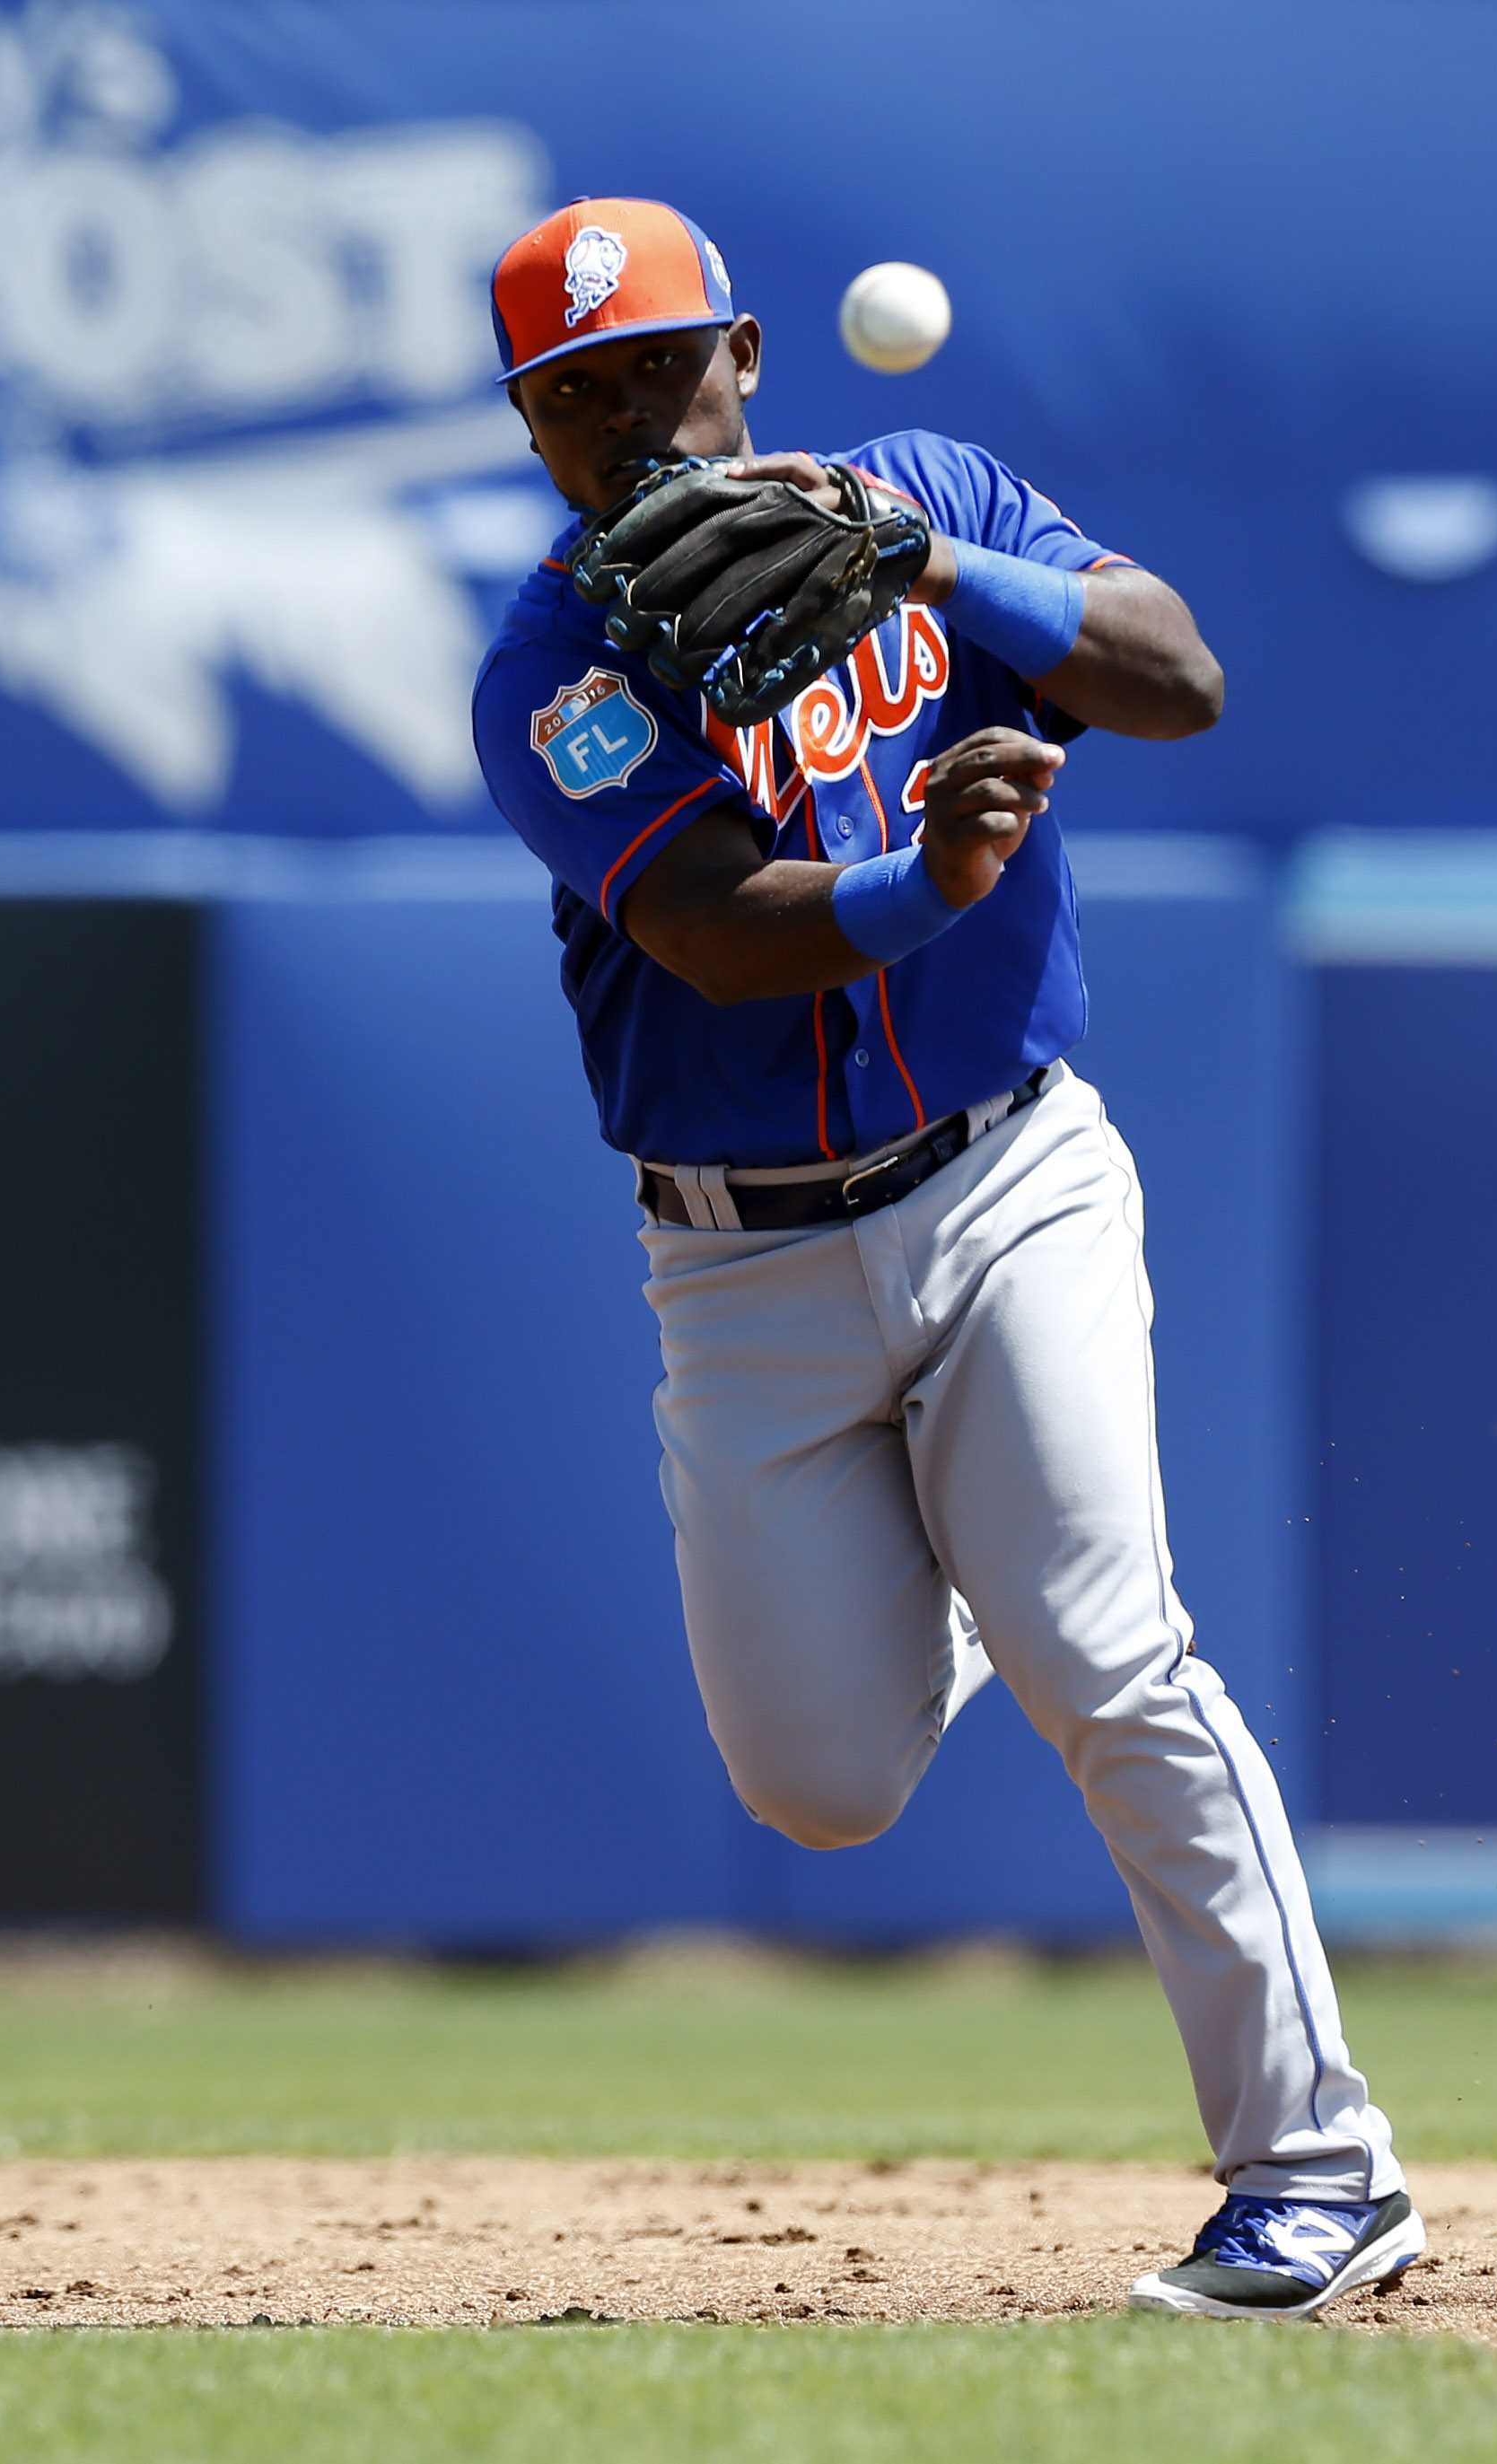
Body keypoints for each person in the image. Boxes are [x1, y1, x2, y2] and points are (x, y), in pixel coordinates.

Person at [469, 197, 1414, 2319]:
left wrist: (930, 569)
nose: (632, 427)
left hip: (1010, 1188)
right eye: (575, 400)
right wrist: (925, 876)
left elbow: (1176, 678)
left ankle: (1321, 2178)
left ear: (751, 355)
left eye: (660, 369)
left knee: (1115, 1657)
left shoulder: (935, 499)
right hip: (739, 1274)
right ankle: (986, 1568)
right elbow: (712, 931)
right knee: (817, 1790)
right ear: (532, 435)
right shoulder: (551, 668)